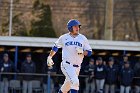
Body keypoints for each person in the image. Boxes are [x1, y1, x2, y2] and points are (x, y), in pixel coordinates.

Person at [47, 19, 92, 93]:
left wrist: (83, 52)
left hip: (77, 67)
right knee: (75, 82)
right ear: (70, 28)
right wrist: (50, 57)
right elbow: (55, 47)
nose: (77, 28)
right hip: (67, 64)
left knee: (67, 86)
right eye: (75, 26)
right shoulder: (64, 37)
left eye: (78, 26)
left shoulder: (83, 38)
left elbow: (89, 52)